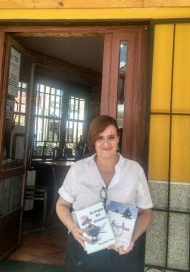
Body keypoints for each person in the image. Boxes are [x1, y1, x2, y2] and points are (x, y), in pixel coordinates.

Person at [56, 115, 153, 272]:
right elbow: (62, 205)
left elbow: (146, 213)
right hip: (83, 249)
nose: (106, 143)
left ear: (118, 139)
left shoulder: (134, 170)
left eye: (111, 137)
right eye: (100, 138)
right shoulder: (78, 169)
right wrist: (73, 228)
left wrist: (131, 239)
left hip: (122, 252)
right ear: (93, 141)